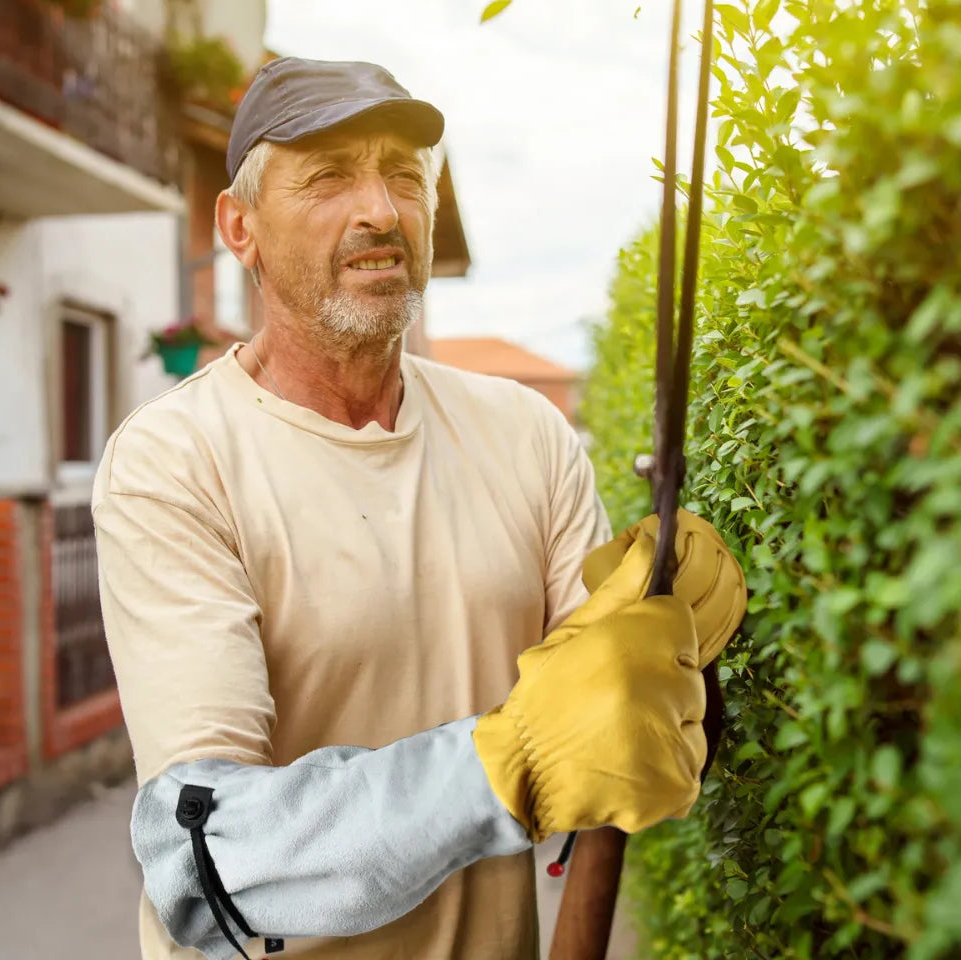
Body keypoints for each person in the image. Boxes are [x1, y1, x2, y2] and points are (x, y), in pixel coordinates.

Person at [92, 56, 747, 960]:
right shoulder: (174, 461)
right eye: (328, 177)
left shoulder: (526, 431)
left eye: (405, 175)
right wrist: (504, 765)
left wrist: (678, 644)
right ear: (238, 226)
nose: (380, 210)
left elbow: (613, 752)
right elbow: (212, 859)